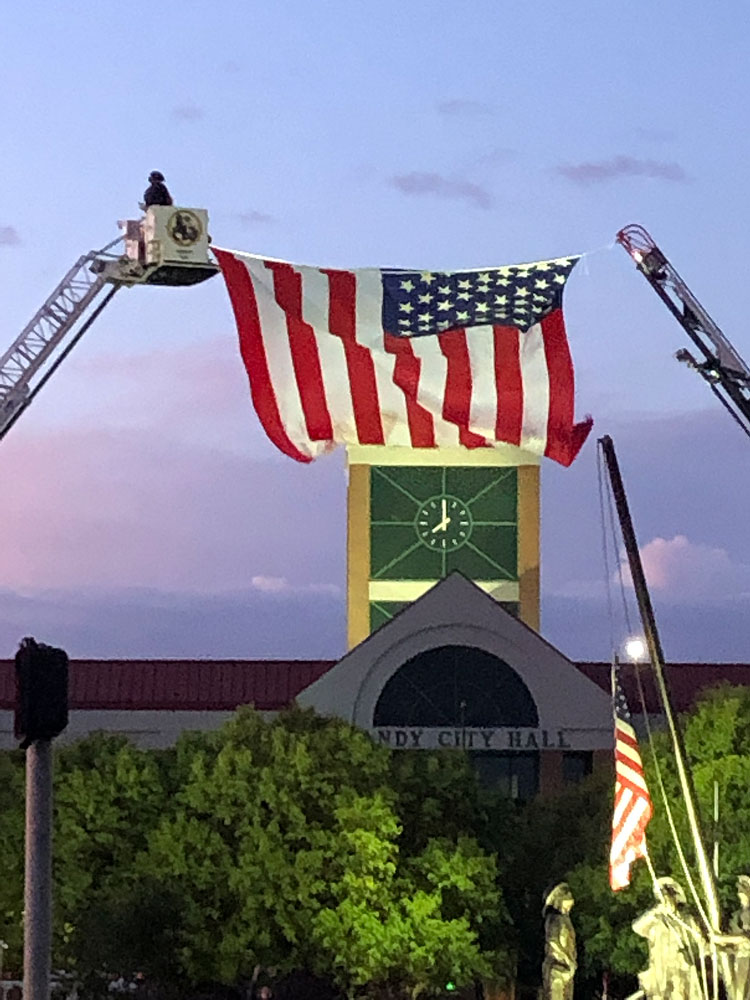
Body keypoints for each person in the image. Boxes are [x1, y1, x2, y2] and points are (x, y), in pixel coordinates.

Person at [632, 877, 704, 1000]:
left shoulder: (687, 920)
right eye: (662, 897)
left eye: (667, 896)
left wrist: (701, 942)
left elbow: (699, 941)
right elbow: (637, 927)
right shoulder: (655, 920)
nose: (665, 901)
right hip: (661, 970)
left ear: (675, 898)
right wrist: (654, 912)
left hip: (682, 968)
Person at [542, 882, 577, 1000]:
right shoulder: (554, 919)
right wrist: (567, 958)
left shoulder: (566, 920)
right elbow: (553, 941)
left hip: (568, 969)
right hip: (557, 968)